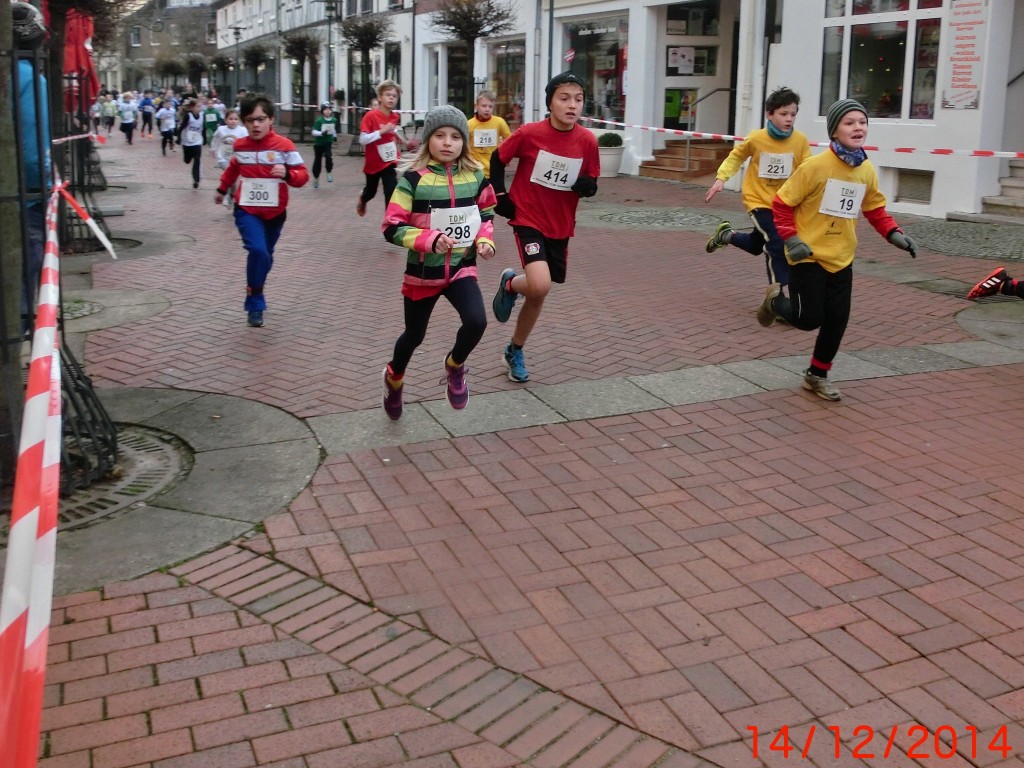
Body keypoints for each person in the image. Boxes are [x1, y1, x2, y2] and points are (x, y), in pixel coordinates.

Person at [758, 98, 919, 402]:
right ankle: (775, 301)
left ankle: (816, 375)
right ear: (834, 131)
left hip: (842, 257)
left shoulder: (866, 169)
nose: (858, 127)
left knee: (837, 319)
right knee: (808, 320)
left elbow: (874, 208)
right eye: (849, 122)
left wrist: (893, 233)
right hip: (808, 256)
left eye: (862, 122)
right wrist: (791, 239)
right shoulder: (815, 166)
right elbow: (781, 204)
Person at [380, 105, 497, 419]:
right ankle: (394, 377)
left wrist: (485, 240)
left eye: (456, 136)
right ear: (428, 139)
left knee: (477, 321)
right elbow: (391, 227)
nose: (448, 142)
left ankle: (455, 365)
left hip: (461, 267)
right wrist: (427, 238)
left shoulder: (475, 177)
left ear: (464, 142)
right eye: (440, 135)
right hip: (423, 273)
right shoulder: (412, 181)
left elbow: (486, 215)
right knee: (413, 337)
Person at [488, 72, 600, 383]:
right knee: (539, 284)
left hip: (561, 223)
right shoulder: (529, 133)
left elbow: (591, 177)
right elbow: (498, 159)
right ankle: (513, 284)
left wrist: (588, 186)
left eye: (578, 100)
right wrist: (500, 195)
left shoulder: (588, 140)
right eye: (564, 98)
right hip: (528, 217)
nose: (572, 105)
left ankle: (514, 347)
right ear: (550, 101)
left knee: (538, 293)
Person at [704, 87, 811, 305]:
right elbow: (736, 157)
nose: (789, 119)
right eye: (783, 114)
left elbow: (807, 171)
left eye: (793, 114)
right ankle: (778, 298)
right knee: (776, 243)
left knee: (755, 245)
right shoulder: (756, 138)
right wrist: (720, 178)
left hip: (784, 203)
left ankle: (726, 235)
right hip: (758, 200)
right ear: (769, 114)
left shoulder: (800, 141)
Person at [215, 96, 309, 328]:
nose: (256, 125)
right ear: (244, 123)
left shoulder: (285, 146)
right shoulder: (240, 146)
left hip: (275, 213)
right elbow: (233, 169)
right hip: (247, 210)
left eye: (261, 119)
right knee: (257, 250)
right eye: (250, 120)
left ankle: (255, 286)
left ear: (271, 119)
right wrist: (222, 189)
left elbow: (303, 176)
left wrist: (287, 174)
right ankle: (255, 301)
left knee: (265, 256)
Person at [12, 2, 50, 339]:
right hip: (24, 200)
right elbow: (32, 150)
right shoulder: (28, 78)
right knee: (24, 278)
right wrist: (44, 188)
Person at [356, 79, 407, 217]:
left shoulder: (394, 116)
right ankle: (363, 198)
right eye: (387, 95)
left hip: (389, 160)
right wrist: (380, 132)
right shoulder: (370, 116)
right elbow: (363, 139)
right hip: (373, 162)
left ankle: (390, 223)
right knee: (371, 192)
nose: (391, 98)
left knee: (391, 191)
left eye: (394, 96)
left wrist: (401, 139)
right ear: (380, 97)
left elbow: (392, 130)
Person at [467, 90, 511, 179]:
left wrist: (506, 157)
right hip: (476, 169)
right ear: (476, 106)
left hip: (495, 168)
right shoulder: (469, 124)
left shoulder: (499, 122)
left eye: (490, 106)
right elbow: (464, 145)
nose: (487, 109)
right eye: (484, 106)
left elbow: (509, 140)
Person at [210, 108, 247, 207]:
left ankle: (231, 196)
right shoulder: (221, 129)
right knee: (231, 177)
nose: (233, 121)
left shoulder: (242, 131)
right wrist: (213, 149)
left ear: (238, 120)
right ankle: (228, 197)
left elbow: (248, 142)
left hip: (236, 159)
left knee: (233, 180)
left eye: (235, 119)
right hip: (223, 158)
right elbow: (215, 138)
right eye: (230, 119)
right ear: (226, 120)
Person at [176, 98, 205, 189]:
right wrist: (179, 138)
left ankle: (196, 179)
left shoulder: (202, 116)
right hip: (187, 142)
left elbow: (203, 128)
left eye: (200, 106)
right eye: (198, 106)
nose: (200, 108)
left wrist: (204, 138)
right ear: (192, 108)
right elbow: (181, 128)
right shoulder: (188, 116)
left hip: (197, 141)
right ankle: (188, 158)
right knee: (187, 161)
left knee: (197, 159)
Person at [310, 101, 339, 189]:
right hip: (319, 143)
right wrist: (322, 133)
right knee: (318, 161)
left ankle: (329, 172)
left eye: (329, 109)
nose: (327, 111)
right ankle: (316, 178)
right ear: (322, 111)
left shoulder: (334, 120)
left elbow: (333, 129)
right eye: (325, 109)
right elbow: (313, 132)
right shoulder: (319, 121)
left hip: (328, 142)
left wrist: (334, 136)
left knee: (329, 156)